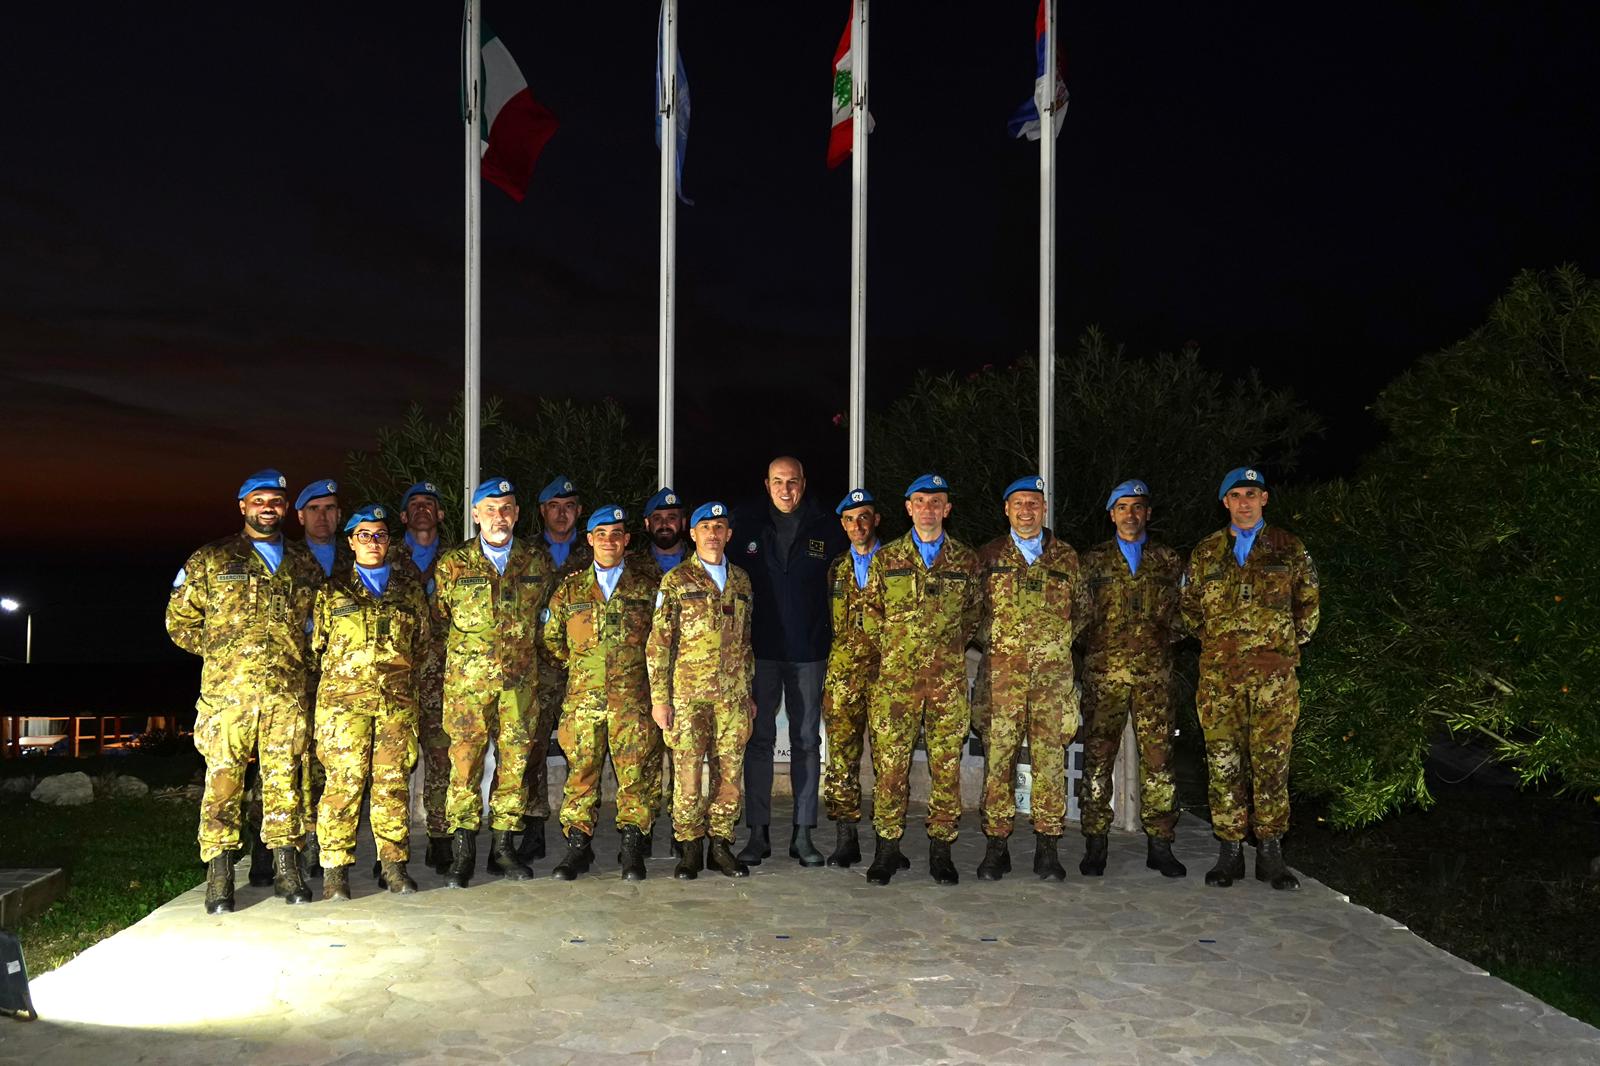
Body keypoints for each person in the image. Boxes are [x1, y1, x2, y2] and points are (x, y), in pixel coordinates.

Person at [166, 469, 321, 913]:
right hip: (227, 697)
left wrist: (299, 664)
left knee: (283, 781)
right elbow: (179, 622)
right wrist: (221, 653)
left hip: (285, 696)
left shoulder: (303, 563)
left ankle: (285, 867)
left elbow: (314, 629)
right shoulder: (212, 559)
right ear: (242, 507)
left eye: (275, 501)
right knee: (224, 781)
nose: (267, 508)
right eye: (258, 500)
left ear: (286, 509)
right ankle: (219, 875)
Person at [1181, 467, 1320, 890]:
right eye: (1236, 495)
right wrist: (1224, 647)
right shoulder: (1206, 553)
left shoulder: (1289, 548)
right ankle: (1230, 852)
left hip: (1273, 681)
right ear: (1225, 502)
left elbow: (1309, 608)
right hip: (1221, 680)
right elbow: (1189, 609)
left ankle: (1271, 853)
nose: (1244, 501)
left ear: (1265, 500)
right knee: (1223, 763)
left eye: (1252, 494)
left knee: (1272, 764)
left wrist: (1275, 650)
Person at [860, 474, 981, 886]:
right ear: (908, 508)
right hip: (896, 683)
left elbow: (974, 615)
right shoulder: (887, 558)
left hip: (945, 681)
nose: (928, 509)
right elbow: (870, 612)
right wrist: (899, 647)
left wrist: (943, 648)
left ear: (947, 510)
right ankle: (887, 850)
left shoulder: (965, 561)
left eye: (936, 503)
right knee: (890, 767)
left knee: (946, 767)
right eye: (920, 502)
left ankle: (941, 851)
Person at [434, 477, 554, 887]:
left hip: (520, 685)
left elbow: (546, 624)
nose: (499, 516)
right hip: (468, 688)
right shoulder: (453, 564)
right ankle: (463, 850)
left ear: (517, 514)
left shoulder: (537, 563)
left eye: (506, 508)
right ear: (475, 515)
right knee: (464, 767)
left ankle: (502, 848)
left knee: (514, 766)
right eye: (490, 509)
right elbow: (439, 619)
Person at [308, 504, 429, 901]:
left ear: (388, 542)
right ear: (351, 542)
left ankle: (393, 866)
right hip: (344, 709)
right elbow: (315, 649)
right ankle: (335, 870)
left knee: (392, 786)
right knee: (343, 785)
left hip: (395, 706)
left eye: (379, 535)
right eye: (364, 535)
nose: (373, 542)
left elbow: (424, 647)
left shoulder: (409, 591)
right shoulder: (331, 591)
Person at [972, 476, 1090, 882]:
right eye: (1019, 503)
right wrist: (1001, 644)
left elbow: (1085, 612)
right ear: (1006, 509)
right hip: (1001, 682)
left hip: (1051, 684)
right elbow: (971, 614)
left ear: (1044, 509)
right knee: (998, 762)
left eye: (1034, 504)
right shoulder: (987, 556)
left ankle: (1047, 847)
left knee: (1050, 762)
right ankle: (996, 846)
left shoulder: (1067, 559)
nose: (1027, 510)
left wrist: (1053, 645)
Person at [735, 456, 846, 868]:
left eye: (793, 482)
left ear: (804, 483)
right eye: (778, 481)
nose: (786, 489)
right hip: (760, 652)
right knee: (758, 741)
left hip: (808, 653)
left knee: (805, 742)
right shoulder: (744, 526)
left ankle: (803, 835)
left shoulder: (828, 528)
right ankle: (758, 834)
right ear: (766, 484)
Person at [541, 506, 661, 881]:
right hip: (584, 701)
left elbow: (662, 640)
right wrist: (584, 669)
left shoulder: (647, 588)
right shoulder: (570, 589)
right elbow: (552, 641)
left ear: (627, 540)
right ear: (589, 539)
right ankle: (578, 848)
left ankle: (632, 849)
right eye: (601, 533)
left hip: (633, 700)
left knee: (636, 776)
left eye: (617, 534)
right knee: (581, 775)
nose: (609, 540)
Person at [1077, 479, 1187, 878]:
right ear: (1112, 514)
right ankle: (1095, 842)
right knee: (1097, 759)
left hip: (1154, 677)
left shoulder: (1168, 561)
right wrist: (1104, 646)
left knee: (1160, 761)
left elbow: (1183, 615)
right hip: (1104, 676)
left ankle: (1160, 843)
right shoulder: (1092, 562)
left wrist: (1153, 643)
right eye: (1122, 507)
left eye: (1137, 507)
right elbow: (1078, 617)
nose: (1130, 514)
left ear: (1148, 514)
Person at [647, 502, 756, 879]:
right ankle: (689, 846)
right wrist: (660, 699)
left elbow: (745, 641)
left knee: (729, 774)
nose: (713, 533)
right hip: (687, 696)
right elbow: (659, 644)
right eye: (705, 527)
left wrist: (749, 692)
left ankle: (721, 845)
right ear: (692, 534)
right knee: (688, 773)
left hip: (733, 697)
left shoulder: (741, 580)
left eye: (720, 526)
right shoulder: (676, 581)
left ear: (729, 534)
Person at [519, 475, 590, 864]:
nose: (561, 514)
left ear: (577, 511)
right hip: (537, 669)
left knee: (586, 751)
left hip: (585, 671)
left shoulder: (596, 548)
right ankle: (533, 827)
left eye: (569, 506)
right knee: (531, 751)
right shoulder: (526, 553)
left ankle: (582, 832)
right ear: (543, 511)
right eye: (553, 507)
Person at [819, 488, 887, 868]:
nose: (858, 525)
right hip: (843, 676)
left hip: (886, 676)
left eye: (864, 517)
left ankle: (886, 841)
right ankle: (847, 839)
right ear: (842, 525)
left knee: (889, 761)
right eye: (850, 519)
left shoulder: (895, 563)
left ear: (876, 520)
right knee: (841, 760)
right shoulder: (837, 568)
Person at [387, 480, 452, 873]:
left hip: (443, 677)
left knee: (441, 758)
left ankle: (440, 836)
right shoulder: (380, 553)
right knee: (391, 764)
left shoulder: (459, 560)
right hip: (394, 678)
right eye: (415, 504)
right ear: (404, 516)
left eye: (431, 503)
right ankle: (390, 847)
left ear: (441, 514)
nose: (423, 509)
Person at [627, 486, 689, 853]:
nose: (666, 524)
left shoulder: (702, 565)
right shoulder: (631, 567)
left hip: (690, 680)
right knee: (643, 756)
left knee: (684, 761)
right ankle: (642, 830)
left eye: (673, 517)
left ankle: (685, 833)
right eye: (659, 518)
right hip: (638, 679)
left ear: (683, 523)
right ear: (648, 523)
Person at [292, 477, 346, 878]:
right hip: (296, 679)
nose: (322, 517)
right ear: (300, 516)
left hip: (344, 679)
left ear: (339, 515)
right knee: (291, 761)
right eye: (314, 509)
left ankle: (322, 842)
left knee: (330, 760)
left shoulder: (357, 556)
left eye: (329, 509)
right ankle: (278, 847)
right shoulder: (286, 561)